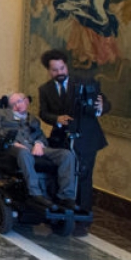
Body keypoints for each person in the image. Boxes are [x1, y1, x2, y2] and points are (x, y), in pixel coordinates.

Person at [38, 49, 110, 235]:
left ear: (66, 66)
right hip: (61, 141)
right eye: (55, 70)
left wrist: (101, 107)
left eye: (62, 68)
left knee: (83, 177)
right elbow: (43, 113)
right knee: (61, 176)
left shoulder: (86, 82)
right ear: (49, 70)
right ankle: (60, 214)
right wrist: (56, 119)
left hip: (86, 139)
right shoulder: (44, 90)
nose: (59, 72)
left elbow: (103, 102)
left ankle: (82, 221)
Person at [0, 92, 78, 209]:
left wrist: (38, 144)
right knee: (24, 153)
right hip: (11, 146)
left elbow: (40, 136)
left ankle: (66, 197)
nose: (17, 106)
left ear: (26, 101)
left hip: (33, 146)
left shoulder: (33, 119)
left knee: (66, 155)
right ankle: (35, 193)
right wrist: (13, 142)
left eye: (19, 101)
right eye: (13, 104)